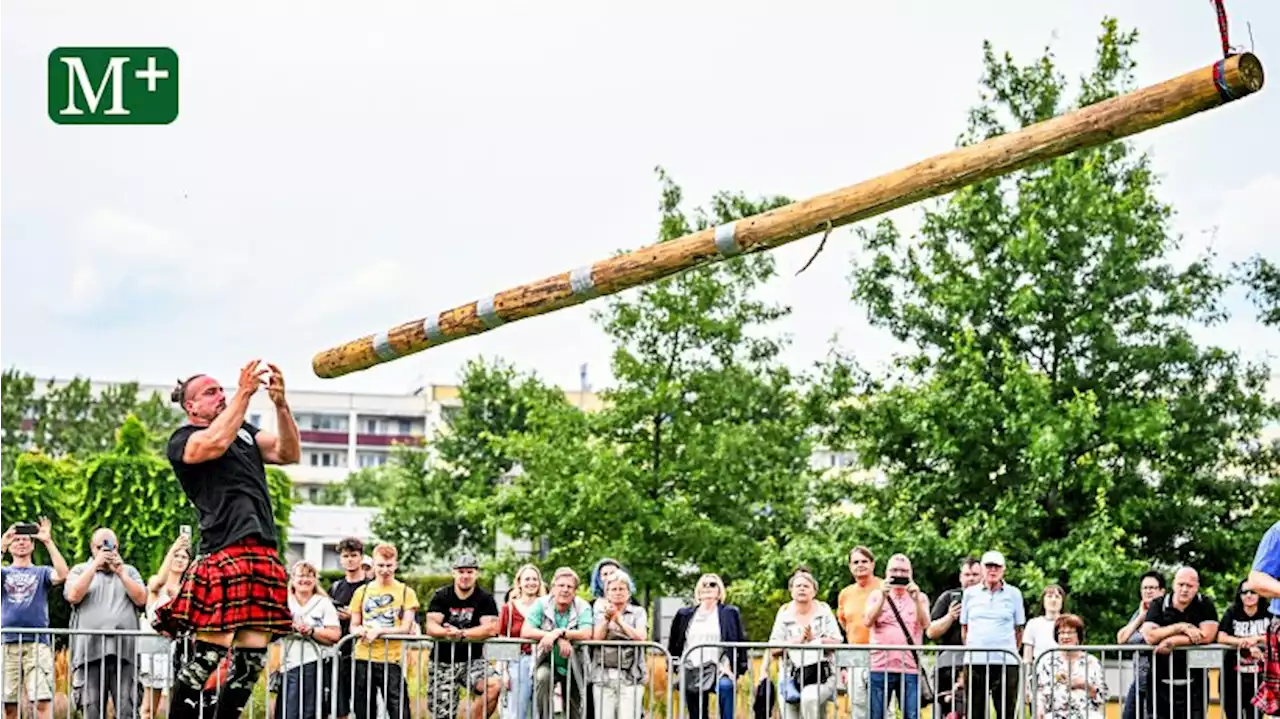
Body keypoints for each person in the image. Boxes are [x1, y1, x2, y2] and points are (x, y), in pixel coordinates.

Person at [154, 360, 302, 719]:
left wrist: (281, 405)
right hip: (225, 549)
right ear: (191, 407)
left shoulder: (246, 432)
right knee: (209, 655)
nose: (221, 396)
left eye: (223, 390)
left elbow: (288, 452)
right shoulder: (183, 439)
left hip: (262, 550)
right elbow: (215, 442)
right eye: (211, 392)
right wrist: (245, 393)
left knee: (252, 662)